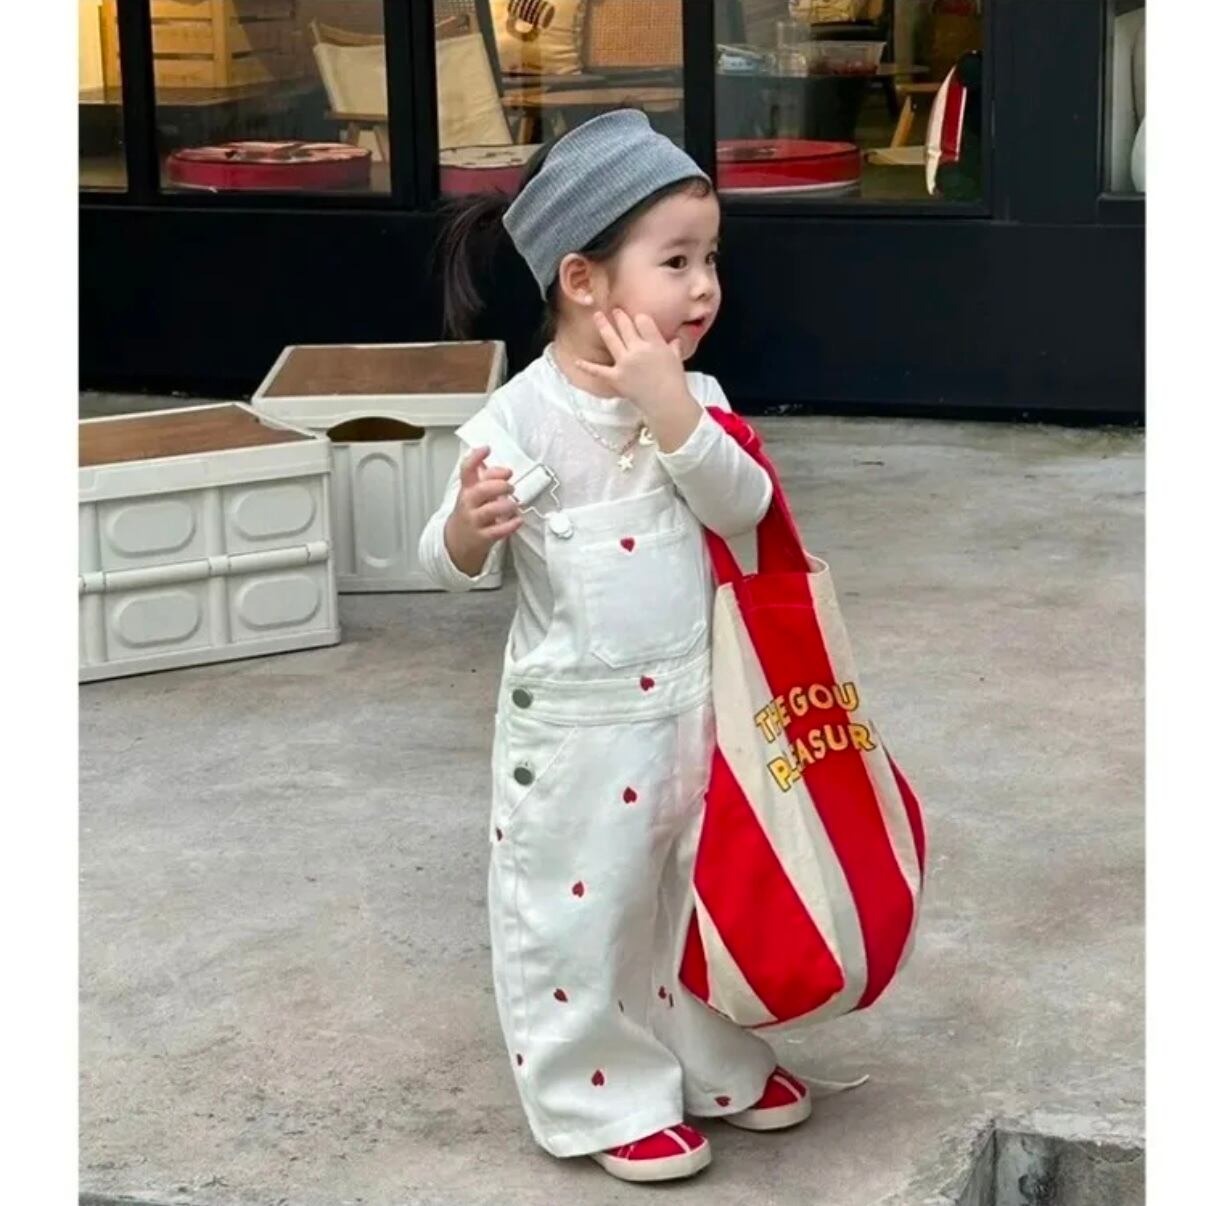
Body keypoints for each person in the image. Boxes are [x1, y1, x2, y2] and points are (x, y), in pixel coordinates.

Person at [418, 109, 811, 1184]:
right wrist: (468, 530)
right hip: (578, 735)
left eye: (711, 260)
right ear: (584, 281)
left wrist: (673, 412)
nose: (704, 288)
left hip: (692, 713)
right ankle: (599, 1095)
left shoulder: (698, 400)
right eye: (675, 262)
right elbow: (441, 561)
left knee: (691, 897)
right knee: (584, 914)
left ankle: (710, 1062)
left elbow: (744, 507)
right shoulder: (522, 420)